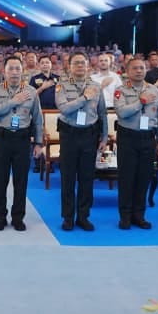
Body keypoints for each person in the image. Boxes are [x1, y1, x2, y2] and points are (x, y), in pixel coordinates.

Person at [0, 56, 43, 231]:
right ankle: (0, 217)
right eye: (10, 68)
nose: (14, 72)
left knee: (21, 180)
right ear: (4, 71)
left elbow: (38, 119)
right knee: (0, 180)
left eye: (17, 68)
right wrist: (13, 102)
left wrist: (38, 143)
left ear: (22, 71)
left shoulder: (31, 91)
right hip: (2, 139)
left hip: (22, 140)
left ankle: (18, 217)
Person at [54, 52, 108, 231]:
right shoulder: (62, 85)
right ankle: (68, 217)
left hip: (89, 135)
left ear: (88, 66)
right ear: (69, 66)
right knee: (68, 178)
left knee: (87, 178)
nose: (80, 66)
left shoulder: (96, 86)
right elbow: (64, 108)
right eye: (76, 63)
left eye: (82, 63)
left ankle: (83, 216)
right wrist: (84, 97)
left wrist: (104, 136)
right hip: (69, 135)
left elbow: (102, 113)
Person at [114, 57, 158, 230]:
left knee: (144, 177)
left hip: (148, 138)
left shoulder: (154, 90)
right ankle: (125, 216)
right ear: (127, 71)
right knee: (127, 178)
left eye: (142, 68)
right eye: (135, 68)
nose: (139, 71)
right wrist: (140, 101)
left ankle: (139, 215)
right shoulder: (121, 90)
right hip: (128, 137)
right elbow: (121, 112)